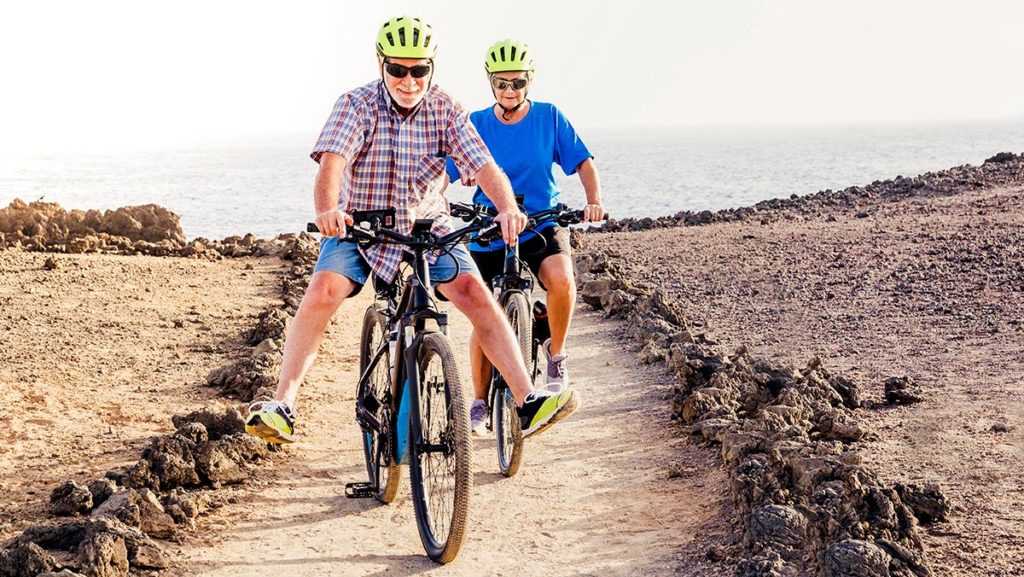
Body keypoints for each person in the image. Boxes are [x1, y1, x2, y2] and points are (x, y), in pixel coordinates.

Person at [245, 17, 579, 444]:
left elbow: (483, 167)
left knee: (475, 293)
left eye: (419, 69)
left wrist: (508, 209)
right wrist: (329, 210)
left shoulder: (447, 109)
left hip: (427, 225)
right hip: (362, 224)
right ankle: (283, 405)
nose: (408, 80)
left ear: (432, 68)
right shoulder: (356, 104)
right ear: (380, 64)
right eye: (398, 69)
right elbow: (333, 164)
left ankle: (527, 401)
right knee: (324, 290)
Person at [446, 39, 604, 436]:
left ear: (528, 81)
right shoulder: (477, 123)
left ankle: (556, 354)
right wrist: (438, 202)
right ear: (491, 82)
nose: (509, 91)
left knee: (562, 280)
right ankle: (479, 401)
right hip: (489, 225)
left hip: (541, 221)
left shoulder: (549, 118)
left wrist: (593, 201)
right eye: (501, 83)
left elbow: (582, 163)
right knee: (486, 315)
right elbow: (442, 171)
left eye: (517, 82)